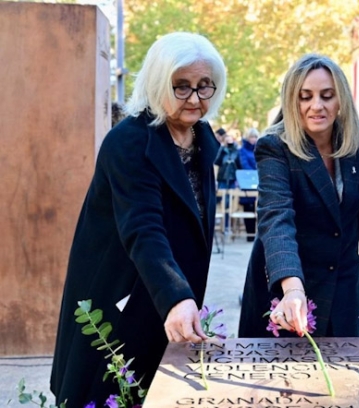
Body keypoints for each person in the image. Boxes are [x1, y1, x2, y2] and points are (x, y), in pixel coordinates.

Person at [50, 32, 226, 407]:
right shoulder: (128, 141)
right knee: (108, 392)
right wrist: (177, 296)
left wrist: (181, 297)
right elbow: (143, 228)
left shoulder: (201, 137)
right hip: (119, 299)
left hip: (167, 298)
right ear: (157, 83)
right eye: (181, 87)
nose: (195, 98)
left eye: (203, 86)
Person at [238, 54, 359, 338]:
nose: (317, 106)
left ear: (341, 100)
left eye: (327, 96)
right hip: (286, 279)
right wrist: (292, 288)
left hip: (342, 280)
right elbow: (276, 218)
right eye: (305, 97)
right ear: (292, 100)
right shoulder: (274, 145)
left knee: (340, 373)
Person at [238, 127, 259, 241]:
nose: (254, 139)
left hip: (259, 181)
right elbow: (244, 164)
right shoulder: (242, 150)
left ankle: (258, 236)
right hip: (248, 182)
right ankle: (250, 235)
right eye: (252, 136)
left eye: (255, 137)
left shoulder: (260, 148)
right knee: (248, 208)